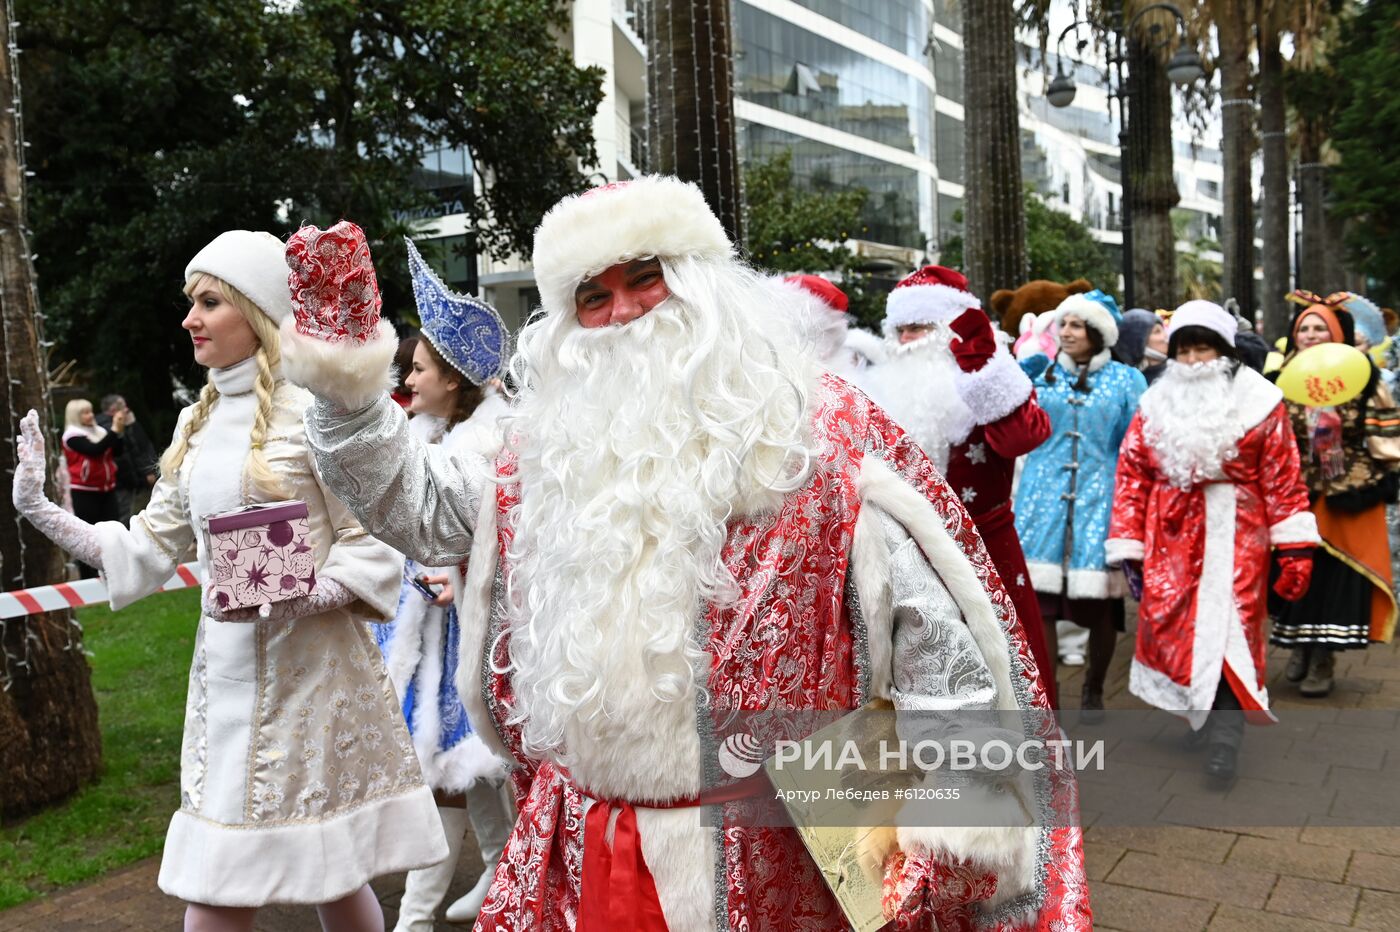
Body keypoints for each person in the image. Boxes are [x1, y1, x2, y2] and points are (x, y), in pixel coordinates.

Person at [277, 179, 1091, 930]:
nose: (624, 311)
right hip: (582, 844)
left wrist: (954, 825)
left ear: (702, 282)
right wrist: (345, 388)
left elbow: (935, 639)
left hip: (781, 851)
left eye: (645, 277)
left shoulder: (819, 432)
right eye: (592, 296)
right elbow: (416, 509)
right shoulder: (540, 450)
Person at [11, 229, 446, 931]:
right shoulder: (197, 422)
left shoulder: (323, 414)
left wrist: (306, 595)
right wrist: (39, 509)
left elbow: (372, 543)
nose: (190, 319)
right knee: (227, 876)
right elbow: (147, 548)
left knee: (326, 871)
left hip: (316, 684)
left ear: (257, 310)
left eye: (209, 301)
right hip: (226, 683)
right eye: (191, 302)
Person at [1106, 301, 1318, 780]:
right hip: (1170, 538)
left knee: (1229, 632)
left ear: (1224, 351)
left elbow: (1283, 477)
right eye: (1184, 349)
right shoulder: (1155, 402)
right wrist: (1129, 546)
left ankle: (1225, 737)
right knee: (1177, 635)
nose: (1194, 359)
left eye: (1203, 347)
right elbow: (1133, 475)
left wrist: (1296, 548)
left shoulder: (1261, 402)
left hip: (1236, 536)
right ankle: (1201, 719)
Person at [381, 240, 514, 931]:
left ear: (456, 379)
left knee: (460, 770)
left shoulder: (482, 447)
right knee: (469, 770)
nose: (407, 376)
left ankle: (418, 915)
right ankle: (501, 872)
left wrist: (453, 574)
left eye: (419, 367)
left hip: (478, 634)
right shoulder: (429, 435)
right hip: (438, 633)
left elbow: (500, 544)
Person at [861, 265, 1058, 706]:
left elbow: (1023, 436)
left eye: (922, 326)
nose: (910, 338)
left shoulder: (991, 378)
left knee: (1007, 672)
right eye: (902, 328)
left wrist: (983, 369)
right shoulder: (878, 389)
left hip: (985, 550)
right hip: (905, 558)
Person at [1015, 292, 1146, 718]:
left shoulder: (1127, 381)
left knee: (1102, 607)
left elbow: (1135, 444)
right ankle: (1049, 698)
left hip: (1100, 501)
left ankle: (1093, 688)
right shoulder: (1039, 373)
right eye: (1063, 324)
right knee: (1044, 605)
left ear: (1099, 332)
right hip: (1042, 502)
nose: (1066, 332)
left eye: (1076, 324)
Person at [1270, 293, 1399, 697]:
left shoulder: (1365, 376)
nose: (1310, 334)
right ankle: (1300, 648)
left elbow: (1386, 435)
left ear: (1337, 333)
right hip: (1297, 493)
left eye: (1319, 327)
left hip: (1349, 493)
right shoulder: (1280, 379)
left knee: (1337, 578)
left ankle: (1323, 658)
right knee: (1296, 573)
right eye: (1304, 328)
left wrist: (1380, 474)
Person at [61, 397, 125, 577]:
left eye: (90, 411)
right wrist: (113, 430)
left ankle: (113, 571)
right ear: (75, 415)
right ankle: (87, 575)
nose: (90, 415)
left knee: (112, 530)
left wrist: (118, 432)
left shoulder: (99, 431)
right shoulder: (72, 436)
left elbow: (117, 451)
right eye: (85, 413)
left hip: (106, 489)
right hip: (84, 491)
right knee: (87, 534)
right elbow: (94, 450)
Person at [98, 394, 159, 525]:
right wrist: (145, 473)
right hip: (124, 483)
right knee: (127, 519)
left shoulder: (123, 423)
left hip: (126, 482)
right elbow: (130, 453)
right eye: (123, 407)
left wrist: (133, 424)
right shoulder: (111, 428)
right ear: (114, 409)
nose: (127, 410)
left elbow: (143, 445)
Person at [1112, 308, 1168, 385]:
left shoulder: (1181, 372)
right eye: (1157, 331)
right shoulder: (1126, 384)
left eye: (1163, 330)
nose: (1166, 336)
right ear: (1137, 341)